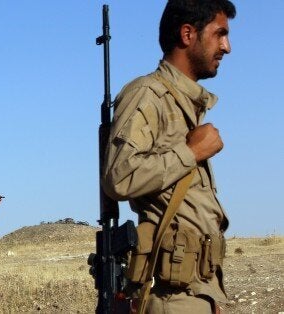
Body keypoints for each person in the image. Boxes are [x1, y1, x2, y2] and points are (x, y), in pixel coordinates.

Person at [102, 0, 236, 312]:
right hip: (170, 297)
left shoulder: (185, 103)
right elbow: (118, 177)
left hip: (197, 292)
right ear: (188, 34)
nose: (227, 47)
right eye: (220, 34)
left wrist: (211, 295)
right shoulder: (148, 94)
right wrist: (191, 152)